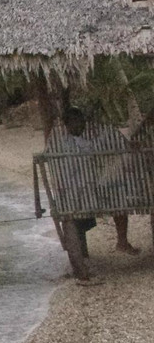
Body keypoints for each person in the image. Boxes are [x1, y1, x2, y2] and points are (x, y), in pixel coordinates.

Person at [57, 108, 137, 255]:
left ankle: (121, 242)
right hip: (83, 191)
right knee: (118, 201)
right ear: (69, 124)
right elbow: (91, 150)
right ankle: (122, 242)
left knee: (117, 198)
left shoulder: (71, 140)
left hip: (83, 190)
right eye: (77, 121)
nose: (81, 124)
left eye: (82, 121)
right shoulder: (69, 142)